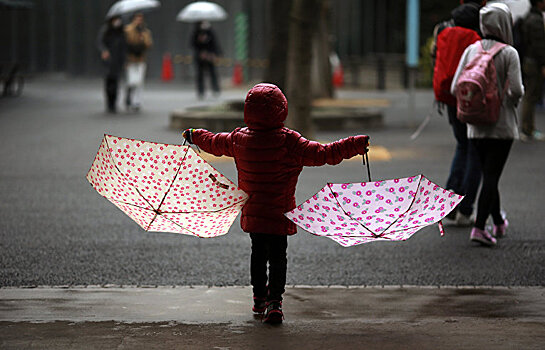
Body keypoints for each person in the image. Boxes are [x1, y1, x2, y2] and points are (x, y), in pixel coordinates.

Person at [182, 83, 369, 323]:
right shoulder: (290, 142)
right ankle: (275, 303)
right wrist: (355, 144)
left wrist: (194, 134)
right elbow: (324, 153)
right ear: (282, 109)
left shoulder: (239, 139)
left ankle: (259, 298)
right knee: (278, 256)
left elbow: (214, 142)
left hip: (253, 212)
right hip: (280, 213)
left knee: (258, 254)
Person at [451, 3, 524, 246]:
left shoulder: (471, 50)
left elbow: (455, 87)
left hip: (474, 126)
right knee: (492, 176)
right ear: (504, 23)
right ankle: (480, 228)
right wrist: (509, 100)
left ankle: (499, 222)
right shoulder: (509, 53)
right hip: (501, 127)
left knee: (488, 173)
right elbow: (516, 90)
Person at [431, 0, 486, 226]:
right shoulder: (476, 40)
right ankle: (465, 208)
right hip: (471, 100)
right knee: (475, 151)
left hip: (450, 98)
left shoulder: (446, 33)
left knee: (462, 146)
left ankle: (449, 203)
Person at [520, 0, 545, 141]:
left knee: (530, 95)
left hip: (529, 60)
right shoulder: (535, 20)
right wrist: (543, 63)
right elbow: (539, 45)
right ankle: (527, 128)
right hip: (534, 62)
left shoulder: (529, 17)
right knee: (530, 95)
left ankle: (528, 127)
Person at [97, 15, 126, 113]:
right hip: (108, 60)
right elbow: (100, 42)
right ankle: (109, 103)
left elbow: (124, 46)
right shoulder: (106, 30)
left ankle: (114, 103)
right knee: (109, 82)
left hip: (117, 60)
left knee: (116, 82)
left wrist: (124, 59)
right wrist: (104, 51)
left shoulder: (121, 32)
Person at [124, 13, 153, 112]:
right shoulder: (128, 30)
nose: (139, 21)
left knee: (140, 81)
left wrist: (143, 38)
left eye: (140, 19)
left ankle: (137, 102)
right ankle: (129, 95)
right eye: (137, 19)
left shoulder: (145, 31)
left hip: (141, 58)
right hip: (131, 58)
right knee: (132, 81)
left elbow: (149, 44)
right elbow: (126, 43)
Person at [191, 21, 221, 99]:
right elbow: (192, 44)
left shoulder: (210, 31)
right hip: (200, 57)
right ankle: (201, 91)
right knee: (200, 74)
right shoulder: (196, 32)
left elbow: (215, 44)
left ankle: (216, 89)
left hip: (209, 56)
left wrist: (213, 54)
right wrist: (200, 50)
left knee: (213, 73)